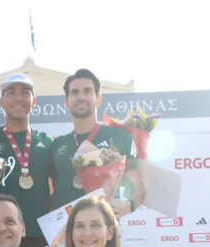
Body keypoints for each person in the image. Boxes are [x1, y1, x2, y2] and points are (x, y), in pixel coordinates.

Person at [0, 73, 55, 247]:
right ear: (2, 102)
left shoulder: (47, 142)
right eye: (11, 92)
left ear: (34, 101)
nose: (18, 98)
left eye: (25, 92)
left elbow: (56, 189)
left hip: (36, 237)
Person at [50, 69, 146, 216]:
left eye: (87, 91)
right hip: (67, 228)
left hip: (105, 225)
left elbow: (140, 190)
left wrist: (127, 207)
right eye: (75, 92)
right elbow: (53, 194)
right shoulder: (56, 146)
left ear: (98, 99)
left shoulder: (120, 138)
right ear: (67, 103)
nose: (81, 97)